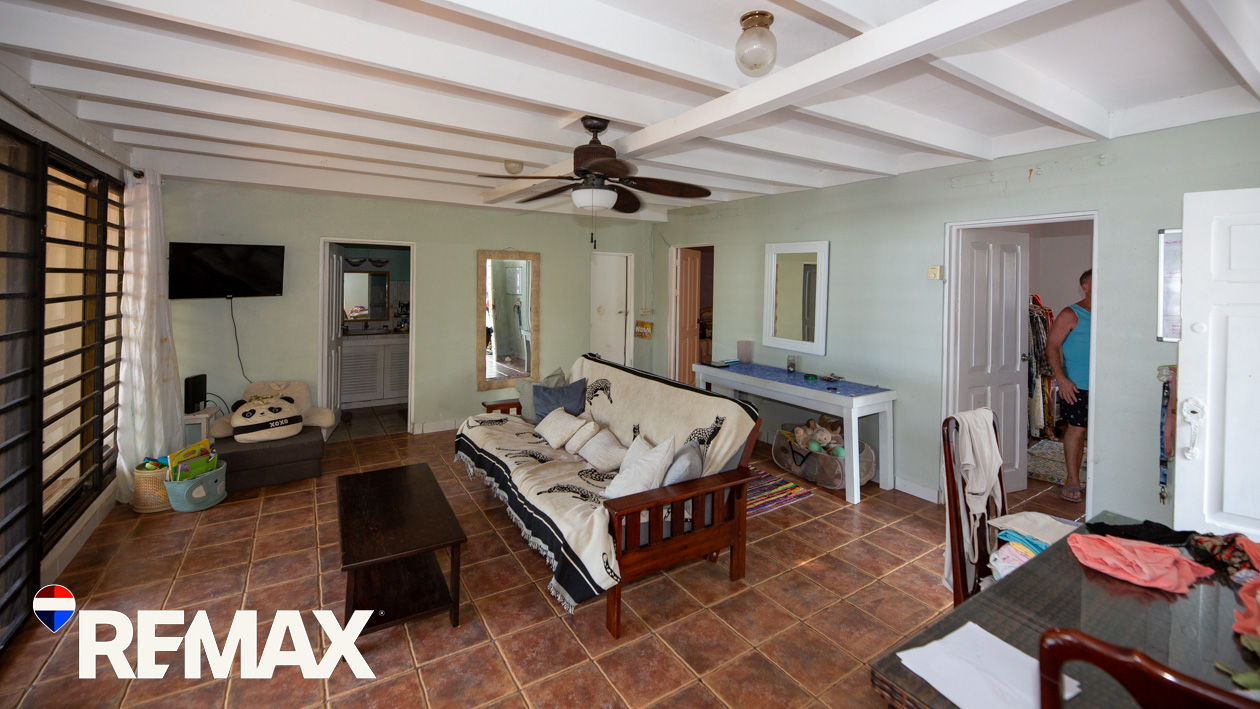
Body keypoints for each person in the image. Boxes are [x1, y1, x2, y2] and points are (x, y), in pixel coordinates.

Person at [1046, 269, 1091, 502]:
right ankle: (1073, 479)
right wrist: (1061, 379)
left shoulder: (1112, 313)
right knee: (1077, 429)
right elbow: (1051, 346)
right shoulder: (1071, 313)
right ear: (1085, 287)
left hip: (1108, 385)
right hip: (1078, 385)